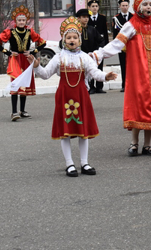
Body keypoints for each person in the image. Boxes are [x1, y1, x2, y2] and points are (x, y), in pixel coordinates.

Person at [90, 0, 151, 157]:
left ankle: (147, 145)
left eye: (150, 5)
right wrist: (99, 54)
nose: (149, 7)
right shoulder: (131, 25)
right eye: (145, 4)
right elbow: (116, 44)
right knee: (139, 106)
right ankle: (134, 144)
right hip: (138, 74)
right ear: (138, 7)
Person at [30, 17, 117, 177]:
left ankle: (85, 163)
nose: (72, 40)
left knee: (82, 130)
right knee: (66, 131)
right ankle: (69, 164)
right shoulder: (58, 57)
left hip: (81, 96)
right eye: (68, 37)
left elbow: (94, 72)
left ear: (79, 40)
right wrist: (36, 67)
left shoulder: (85, 57)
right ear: (63, 40)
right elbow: (45, 74)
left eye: (75, 37)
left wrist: (106, 76)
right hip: (64, 98)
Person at [0, 6, 47, 121]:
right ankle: (14, 112)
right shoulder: (10, 32)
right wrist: (8, 53)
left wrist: (33, 51)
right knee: (15, 84)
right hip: (15, 61)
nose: (21, 22)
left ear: (26, 21)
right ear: (15, 22)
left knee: (24, 84)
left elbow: (42, 43)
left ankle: (22, 110)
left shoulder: (29, 31)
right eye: (19, 20)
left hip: (26, 60)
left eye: (23, 20)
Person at [75, 9, 104, 95]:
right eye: (84, 17)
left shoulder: (92, 29)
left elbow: (101, 40)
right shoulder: (75, 30)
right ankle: (87, 87)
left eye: (87, 17)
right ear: (79, 18)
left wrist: (98, 50)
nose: (86, 19)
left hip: (91, 55)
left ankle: (97, 87)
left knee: (93, 70)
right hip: (80, 56)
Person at [87, 0, 109, 94]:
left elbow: (105, 32)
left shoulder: (102, 18)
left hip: (100, 45)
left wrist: (106, 46)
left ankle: (99, 86)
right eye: (93, 6)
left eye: (96, 6)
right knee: (90, 66)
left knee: (99, 65)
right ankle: (91, 86)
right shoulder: (87, 18)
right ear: (89, 8)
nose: (95, 8)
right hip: (90, 44)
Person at [112, 0, 132, 92]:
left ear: (129, 6)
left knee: (133, 66)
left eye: (126, 5)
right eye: (123, 5)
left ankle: (133, 85)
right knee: (123, 65)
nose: (124, 7)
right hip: (122, 45)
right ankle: (124, 85)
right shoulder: (116, 18)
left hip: (132, 45)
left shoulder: (133, 17)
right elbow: (115, 34)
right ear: (120, 6)